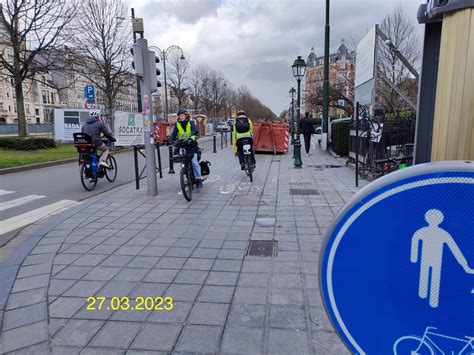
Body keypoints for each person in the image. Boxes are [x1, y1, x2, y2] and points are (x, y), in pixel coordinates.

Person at [169, 109, 203, 188]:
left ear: (186, 116)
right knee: (182, 164)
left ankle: (198, 180)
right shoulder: (177, 124)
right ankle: (185, 178)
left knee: (194, 163)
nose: (181, 117)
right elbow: (174, 134)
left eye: (182, 115)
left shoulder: (191, 123)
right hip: (183, 145)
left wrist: (192, 138)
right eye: (180, 116)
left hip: (191, 145)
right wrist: (170, 140)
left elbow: (194, 131)